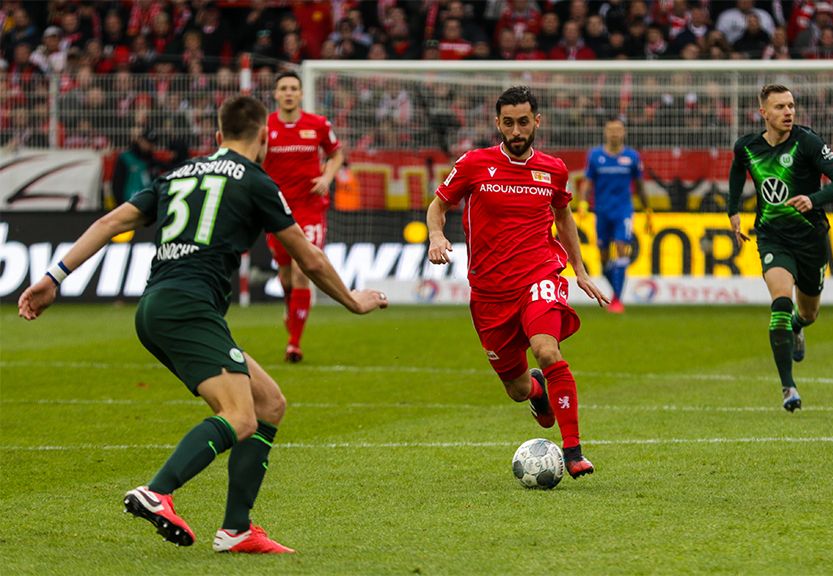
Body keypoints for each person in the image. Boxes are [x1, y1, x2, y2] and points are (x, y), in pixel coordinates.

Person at [18, 95, 388, 553]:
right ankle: (158, 491)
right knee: (239, 416)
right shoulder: (256, 181)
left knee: (269, 403)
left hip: (158, 306)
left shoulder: (176, 174)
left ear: (217, 137)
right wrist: (353, 301)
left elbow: (112, 220)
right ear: (265, 138)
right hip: (189, 308)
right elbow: (308, 258)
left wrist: (54, 278)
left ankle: (236, 529)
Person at [426, 86, 608, 479]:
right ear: (498, 123)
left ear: (536, 121)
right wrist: (436, 236)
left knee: (546, 349)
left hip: (539, 276)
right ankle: (538, 393)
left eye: (523, 122)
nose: (516, 130)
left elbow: (564, 218)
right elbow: (438, 205)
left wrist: (578, 269)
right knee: (517, 388)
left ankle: (573, 451)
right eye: (508, 123)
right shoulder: (475, 164)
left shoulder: (553, 169)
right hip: (490, 293)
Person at [727, 84, 833, 412]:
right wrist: (733, 210)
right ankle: (788, 387)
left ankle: (799, 326)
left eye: (791, 106)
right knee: (780, 302)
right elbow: (738, 170)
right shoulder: (747, 147)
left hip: (811, 238)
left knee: (808, 312)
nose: (788, 112)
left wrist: (813, 198)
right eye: (780, 107)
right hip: (772, 237)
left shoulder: (807, 141)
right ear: (763, 113)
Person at [262, 70, 346, 363]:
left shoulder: (318, 125)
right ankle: (291, 307)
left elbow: (336, 155)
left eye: (293, 88)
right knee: (285, 274)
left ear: (300, 94)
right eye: (283, 88)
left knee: (302, 270)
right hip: (276, 210)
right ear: (275, 94)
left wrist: (326, 178)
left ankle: (293, 344)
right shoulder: (265, 127)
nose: (288, 92)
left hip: (310, 208)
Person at [576, 116, 652, 313]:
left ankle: (617, 299)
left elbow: (640, 186)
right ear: (605, 132)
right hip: (602, 212)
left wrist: (648, 210)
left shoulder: (632, 157)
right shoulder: (595, 156)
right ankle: (615, 289)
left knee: (620, 249)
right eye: (611, 130)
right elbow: (587, 183)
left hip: (623, 211)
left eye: (618, 129)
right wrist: (583, 203)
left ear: (624, 132)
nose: (615, 133)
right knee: (603, 259)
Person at [111, 127, 158, 207]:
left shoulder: (152, 161)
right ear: (140, 140)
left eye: (152, 144)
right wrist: (120, 205)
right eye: (147, 142)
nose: (149, 146)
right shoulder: (125, 158)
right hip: (128, 204)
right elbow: (117, 183)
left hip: (146, 206)